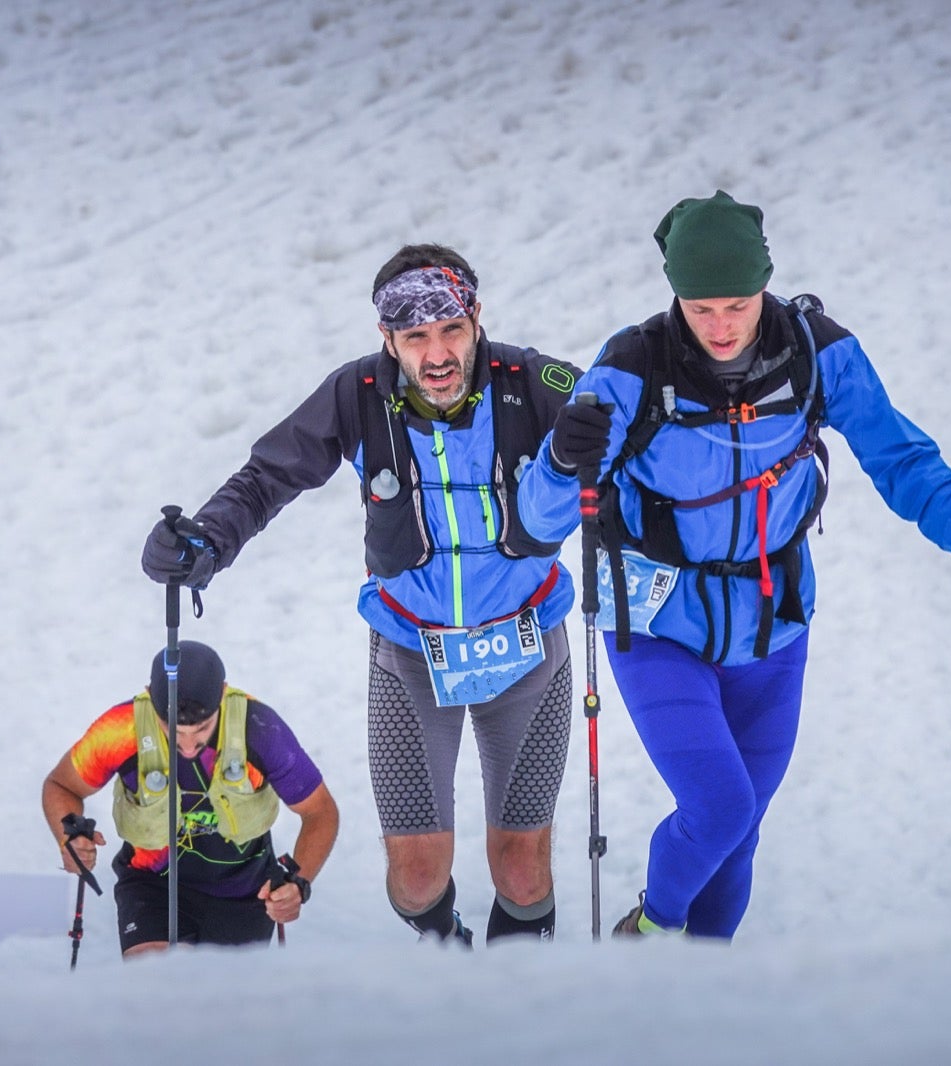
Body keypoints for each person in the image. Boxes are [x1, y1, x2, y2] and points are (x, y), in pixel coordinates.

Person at [517, 191, 951, 939]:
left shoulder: (816, 352)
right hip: (656, 625)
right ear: (675, 294)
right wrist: (560, 456)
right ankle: (648, 933)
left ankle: (704, 999)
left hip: (775, 629)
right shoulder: (632, 367)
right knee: (721, 808)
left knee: (742, 833)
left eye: (738, 304)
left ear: (765, 284)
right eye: (700, 308)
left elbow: (900, 459)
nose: (721, 326)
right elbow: (539, 521)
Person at [141, 244, 582, 946]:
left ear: (475, 320)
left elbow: (629, 454)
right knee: (414, 878)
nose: (436, 354)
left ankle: (514, 995)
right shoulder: (358, 394)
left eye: (451, 332)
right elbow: (269, 476)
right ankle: (451, 955)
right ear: (388, 339)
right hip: (412, 653)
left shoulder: (535, 382)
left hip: (529, 653)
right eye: (415, 337)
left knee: (523, 872)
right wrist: (206, 542)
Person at [42, 640, 337, 953]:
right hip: (151, 884)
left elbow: (320, 811)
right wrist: (68, 838)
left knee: (222, 1001)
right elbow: (61, 785)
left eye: (201, 729)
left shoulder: (260, 729)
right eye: (173, 731)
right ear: (150, 696)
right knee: (162, 989)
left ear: (223, 695)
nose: (187, 746)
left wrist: (298, 882)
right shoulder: (121, 729)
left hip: (245, 890)